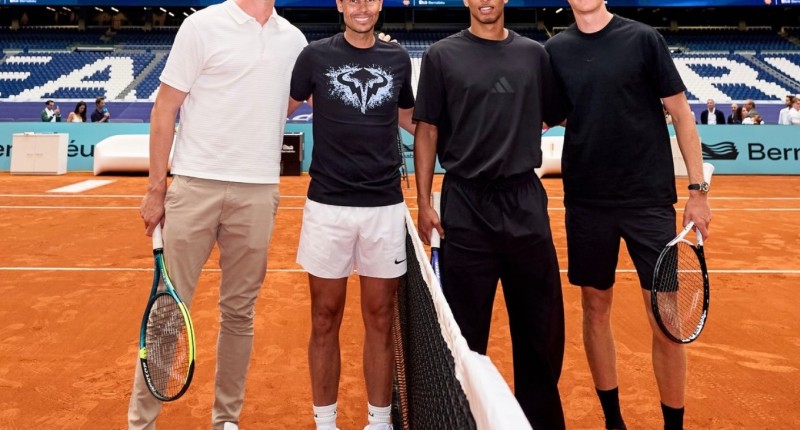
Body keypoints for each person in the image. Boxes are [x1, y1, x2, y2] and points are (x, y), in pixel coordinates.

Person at [130, 0, 307, 429]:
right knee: (168, 310)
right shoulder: (201, 25)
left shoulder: (295, 41)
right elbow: (163, 110)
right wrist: (157, 189)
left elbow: (282, 104)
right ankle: (142, 422)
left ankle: (226, 419)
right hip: (195, 186)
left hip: (259, 190)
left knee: (240, 314)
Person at [544, 1, 712, 429]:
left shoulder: (642, 39)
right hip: (586, 202)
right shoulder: (555, 50)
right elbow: (542, 119)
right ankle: (613, 422)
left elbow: (681, 114)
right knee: (594, 309)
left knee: (666, 319)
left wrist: (697, 191)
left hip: (648, 202)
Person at [413, 0, 565, 427]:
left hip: (525, 204)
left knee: (540, 334)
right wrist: (425, 203)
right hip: (465, 204)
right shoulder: (441, 55)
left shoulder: (535, 55)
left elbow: (552, 115)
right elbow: (426, 131)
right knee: (463, 336)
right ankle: (462, 420)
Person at [287, 0, 414, 428]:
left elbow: (414, 120)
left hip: (384, 207)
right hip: (327, 206)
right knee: (324, 316)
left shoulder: (398, 58)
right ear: (340, 4)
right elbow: (274, 111)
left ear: (380, 4)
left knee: (380, 317)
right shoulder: (314, 56)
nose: (362, 7)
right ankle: (326, 422)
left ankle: (378, 422)